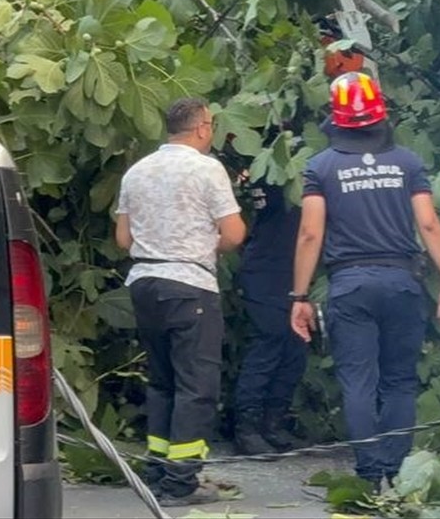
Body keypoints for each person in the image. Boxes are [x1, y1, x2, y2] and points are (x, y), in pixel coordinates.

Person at [290, 71, 440, 490]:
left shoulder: (321, 167)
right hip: (402, 282)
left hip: (349, 285)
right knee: (400, 379)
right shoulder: (407, 162)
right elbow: (429, 224)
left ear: (336, 118)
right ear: (381, 114)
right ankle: (396, 470)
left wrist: (299, 295)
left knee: (358, 381)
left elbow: (311, 233)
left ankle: (368, 476)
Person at [115, 97, 247, 507]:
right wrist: (210, 246)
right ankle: (181, 480)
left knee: (163, 380)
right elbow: (235, 232)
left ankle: (158, 468)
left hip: (144, 283)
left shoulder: (137, 171)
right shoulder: (207, 169)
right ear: (202, 128)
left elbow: (124, 239)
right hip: (189, 284)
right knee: (196, 383)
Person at [232, 175, 308, 455]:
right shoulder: (276, 170)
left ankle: (273, 424)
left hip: (294, 269)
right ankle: (247, 426)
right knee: (269, 342)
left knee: (294, 348)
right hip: (267, 269)